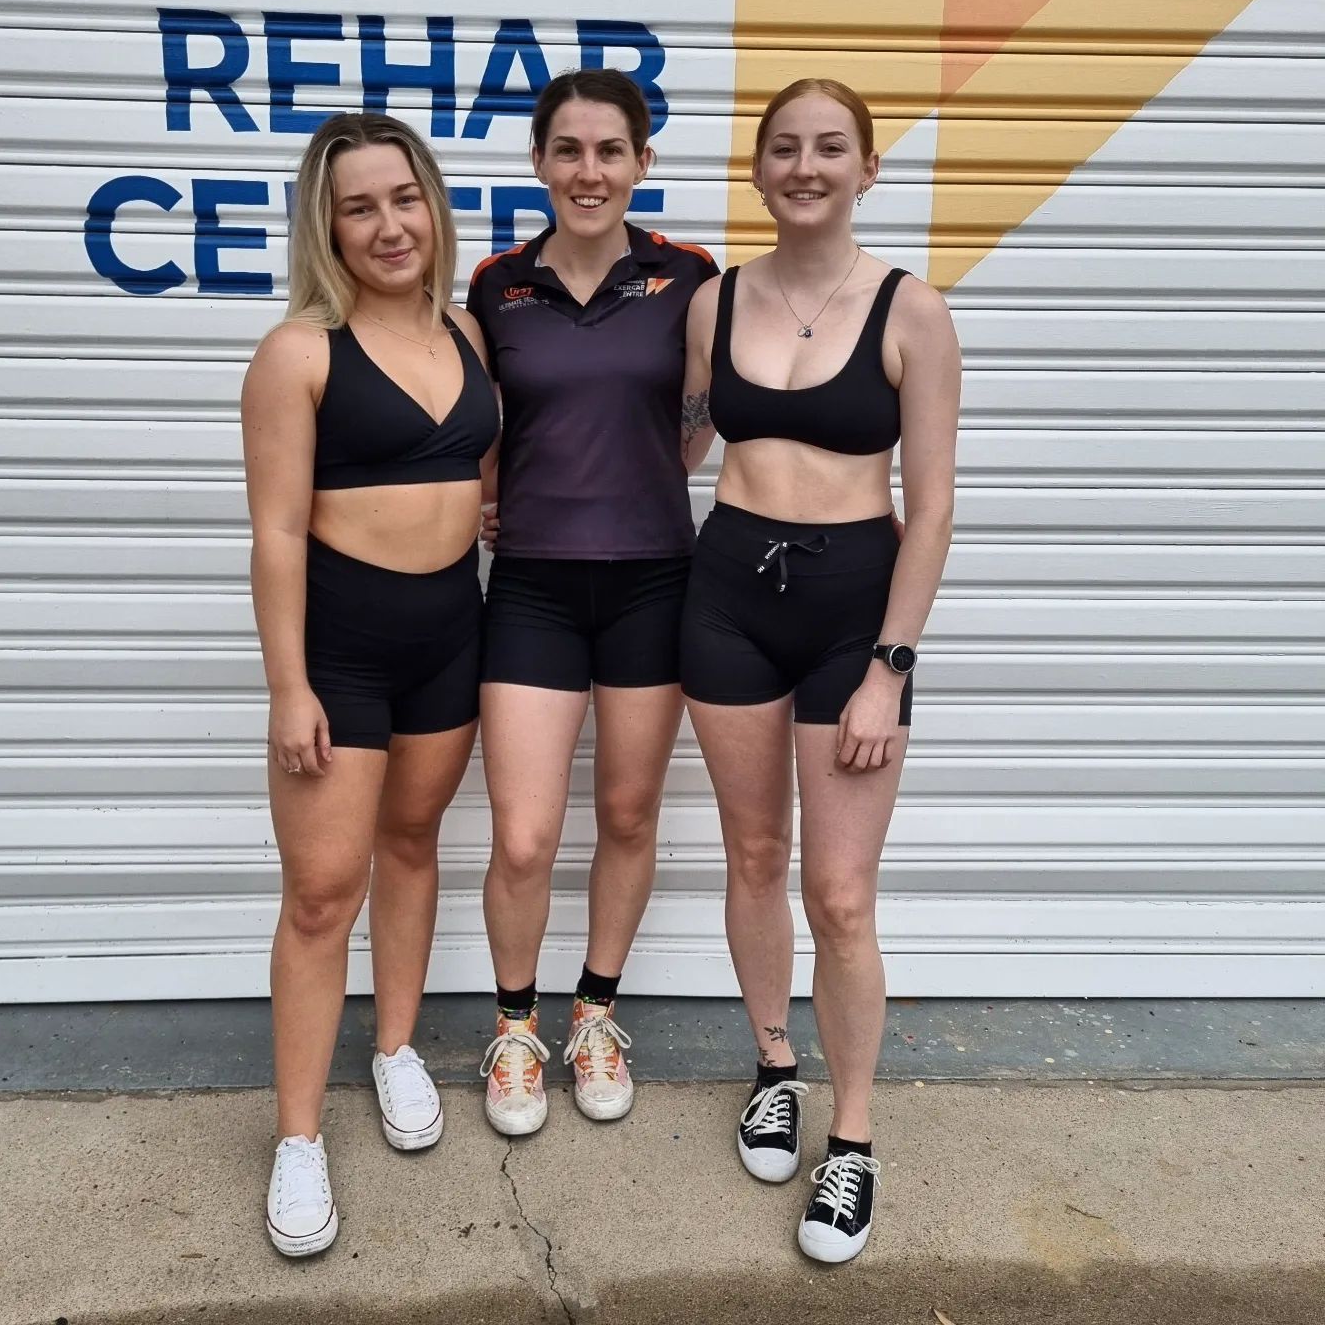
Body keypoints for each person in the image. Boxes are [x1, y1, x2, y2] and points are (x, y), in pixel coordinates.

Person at [678, 78, 961, 1263]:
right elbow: (679, 438)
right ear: (758, 170)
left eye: (830, 148)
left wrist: (891, 667)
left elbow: (934, 506)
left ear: (867, 168)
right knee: (753, 854)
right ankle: (773, 1066)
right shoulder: (713, 301)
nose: (807, 166)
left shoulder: (912, 311)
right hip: (727, 594)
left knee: (840, 895)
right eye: (785, 148)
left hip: (856, 617)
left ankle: (851, 1140)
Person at [241, 112, 498, 1256]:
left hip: (454, 632)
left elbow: (474, 476)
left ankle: (394, 1048)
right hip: (340, 648)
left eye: (404, 198)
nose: (389, 224)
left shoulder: (469, 335)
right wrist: (289, 684)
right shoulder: (298, 352)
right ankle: (297, 1139)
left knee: (411, 847)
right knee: (318, 894)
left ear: (431, 205)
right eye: (360, 207)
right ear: (327, 226)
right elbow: (276, 537)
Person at [466, 69, 718, 1135]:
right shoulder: (495, 285)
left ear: (642, 163)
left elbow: (702, 413)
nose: (588, 170)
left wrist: (645, 481)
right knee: (523, 837)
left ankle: (596, 1012)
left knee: (624, 813)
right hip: (531, 585)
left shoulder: (691, 276)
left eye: (610, 150)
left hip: (654, 581)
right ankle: (516, 1029)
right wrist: (487, 499)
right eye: (567, 149)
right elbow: (476, 427)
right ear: (537, 162)